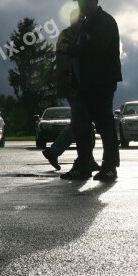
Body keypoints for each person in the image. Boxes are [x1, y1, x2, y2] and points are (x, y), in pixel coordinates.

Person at [59, 0, 122, 181]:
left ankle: (110, 167)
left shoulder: (104, 22)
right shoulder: (88, 23)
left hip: (101, 82)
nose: (82, 6)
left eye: (86, 2)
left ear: (95, 1)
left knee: (104, 125)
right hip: (85, 84)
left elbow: (95, 49)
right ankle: (83, 166)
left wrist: (69, 48)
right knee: (82, 126)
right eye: (79, 2)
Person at [41, 9, 99, 171]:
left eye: (83, 18)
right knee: (81, 123)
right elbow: (66, 55)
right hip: (73, 87)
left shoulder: (82, 35)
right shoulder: (67, 36)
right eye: (79, 18)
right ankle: (55, 151)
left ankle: (86, 159)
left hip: (80, 86)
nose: (82, 21)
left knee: (85, 124)